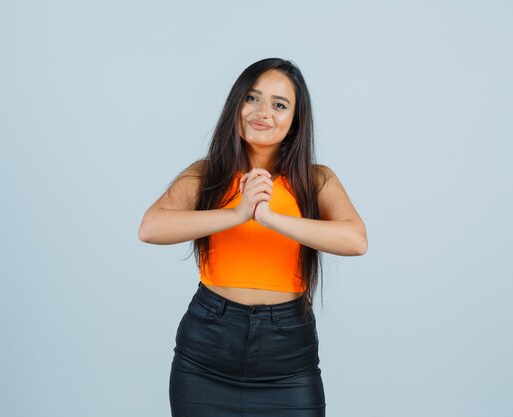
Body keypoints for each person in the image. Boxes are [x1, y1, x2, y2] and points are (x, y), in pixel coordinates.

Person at [138, 57, 367, 417]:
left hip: (289, 357)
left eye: (279, 105)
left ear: (295, 121)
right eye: (252, 98)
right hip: (207, 352)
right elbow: (150, 228)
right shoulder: (206, 174)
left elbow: (355, 240)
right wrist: (236, 214)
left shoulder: (316, 180)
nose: (262, 112)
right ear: (236, 105)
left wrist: (270, 218)